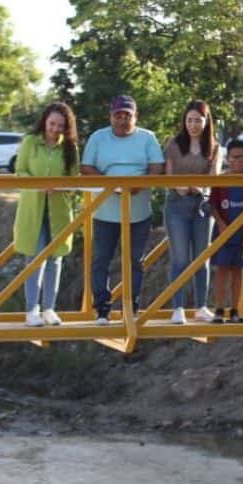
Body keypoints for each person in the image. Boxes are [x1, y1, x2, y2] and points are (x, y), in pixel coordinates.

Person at [81, 95, 165, 324]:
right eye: (118, 114)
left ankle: (131, 306)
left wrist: (141, 183)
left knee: (135, 261)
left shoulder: (147, 138)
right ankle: (102, 309)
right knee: (101, 260)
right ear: (111, 116)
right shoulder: (98, 138)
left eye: (127, 115)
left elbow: (157, 167)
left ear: (135, 117)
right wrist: (109, 184)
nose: (122, 119)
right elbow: (85, 166)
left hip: (138, 211)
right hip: (105, 210)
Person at [14, 102, 80, 327]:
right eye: (52, 124)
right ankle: (32, 310)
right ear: (44, 122)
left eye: (60, 126)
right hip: (33, 207)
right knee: (35, 257)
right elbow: (20, 171)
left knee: (55, 258)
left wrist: (59, 187)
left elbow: (74, 180)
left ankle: (49, 309)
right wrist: (38, 185)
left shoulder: (70, 148)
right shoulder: (30, 142)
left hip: (59, 210)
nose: (55, 129)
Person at [163, 100, 219, 325]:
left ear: (206, 122)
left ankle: (201, 306)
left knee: (201, 257)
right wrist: (181, 186)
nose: (193, 124)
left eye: (198, 120)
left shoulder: (214, 147)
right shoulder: (174, 144)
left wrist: (201, 188)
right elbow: (168, 175)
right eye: (190, 120)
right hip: (177, 203)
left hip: (202, 205)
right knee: (180, 258)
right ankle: (178, 308)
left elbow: (213, 177)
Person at [210, 139, 243, 323]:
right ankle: (218, 309)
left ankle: (235, 309)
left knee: (238, 271)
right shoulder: (221, 179)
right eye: (232, 157)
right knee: (222, 270)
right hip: (223, 232)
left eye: (240, 157)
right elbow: (213, 205)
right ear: (227, 158)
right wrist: (220, 223)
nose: (236, 161)